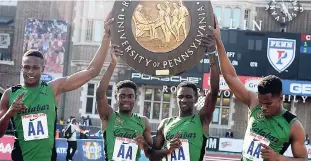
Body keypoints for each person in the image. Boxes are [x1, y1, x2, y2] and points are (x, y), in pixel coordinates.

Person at [0, 13, 115, 161]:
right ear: (22, 68)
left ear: (43, 68)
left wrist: (106, 37)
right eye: (26, 67)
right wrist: (10, 112)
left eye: (35, 67)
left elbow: (92, 71)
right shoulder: (10, 94)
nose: (30, 72)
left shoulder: (53, 88)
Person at [207, 16, 308, 161]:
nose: (264, 108)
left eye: (268, 104)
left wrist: (279, 158)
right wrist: (219, 42)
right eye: (261, 103)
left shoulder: (293, 126)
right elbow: (230, 77)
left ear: (280, 97)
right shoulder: (254, 102)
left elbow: (303, 160)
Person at [135, 26, 220, 161]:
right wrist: (167, 149)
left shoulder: (201, 119)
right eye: (180, 96)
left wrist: (211, 53)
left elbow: (214, 91)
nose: (184, 100)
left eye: (188, 97)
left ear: (196, 98)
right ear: (176, 98)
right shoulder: (165, 123)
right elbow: (152, 156)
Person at [95, 46, 153, 161]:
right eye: (122, 96)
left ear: (135, 98)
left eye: (130, 96)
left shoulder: (143, 121)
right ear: (116, 98)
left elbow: (152, 149)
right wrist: (113, 63)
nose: (126, 99)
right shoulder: (109, 116)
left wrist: (145, 146)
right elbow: (100, 94)